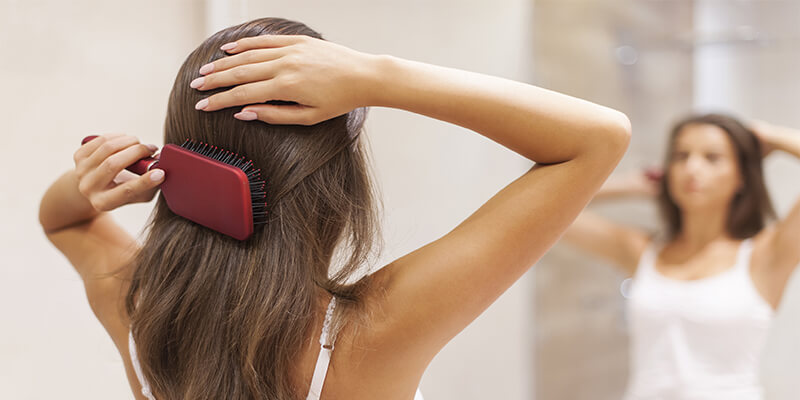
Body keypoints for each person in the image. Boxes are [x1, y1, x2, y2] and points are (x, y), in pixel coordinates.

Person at [39, 17, 631, 400]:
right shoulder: (367, 334)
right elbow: (597, 137)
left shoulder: (136, 308)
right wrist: (378, 76)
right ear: (336, 181)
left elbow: (62, 220)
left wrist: (87, 186)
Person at [560, 113, 800, 399]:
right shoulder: (642, 251)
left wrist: (769, 135)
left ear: (742, 177)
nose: (692, 167)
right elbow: (547, 212)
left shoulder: (766, 255)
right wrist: (630, 184)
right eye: (681, 156)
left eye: (712, 158)